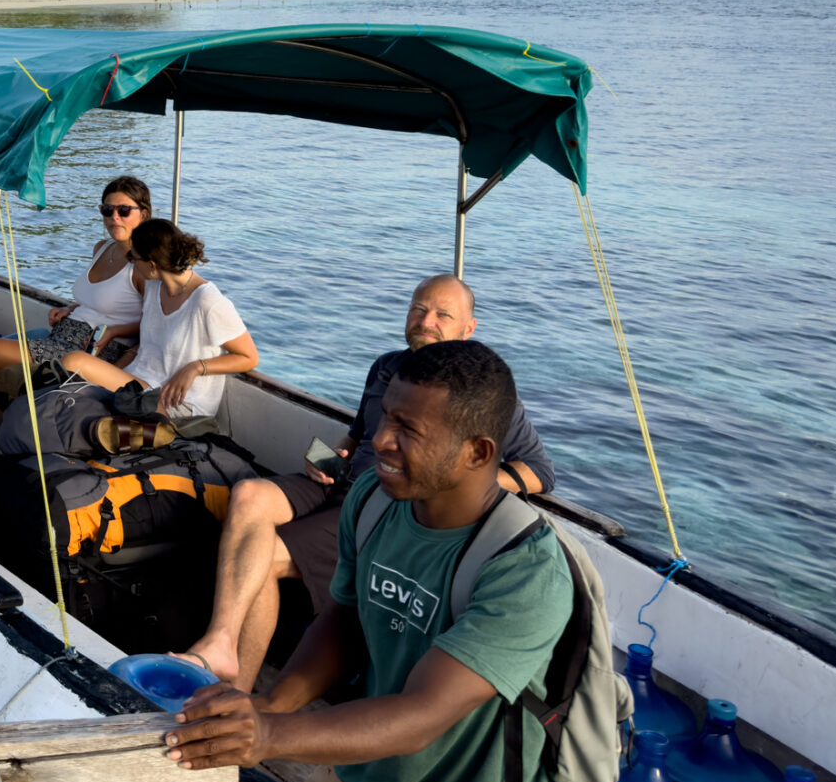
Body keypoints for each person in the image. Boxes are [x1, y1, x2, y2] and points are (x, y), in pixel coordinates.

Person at [164, 340, 572, 782]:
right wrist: (272, 704)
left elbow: (423, 714)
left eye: (408, 430)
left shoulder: (525, 569)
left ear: (477, 452)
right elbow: (348, 621)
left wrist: (268, 734)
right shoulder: (374, 501)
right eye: (384, 419)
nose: (379, 440)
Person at [179, 275, 555, 691]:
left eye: (443, 315)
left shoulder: (481, 396)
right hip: (340, 480)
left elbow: (539, 470)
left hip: (383, 499)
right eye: (418, 308)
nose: (426, 321)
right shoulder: (388, 367)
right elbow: (358, 434)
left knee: (262, 557)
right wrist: (329, 454)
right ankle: (221, 640)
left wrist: (448, 484)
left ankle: (234, 689)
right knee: (249, 492)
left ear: (469, 329)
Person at [0, 175, 150, 423]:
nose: (114, 217)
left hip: (90, 347)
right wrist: (69, 308)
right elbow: (102, 300)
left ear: (143, 214)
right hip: (62, 333)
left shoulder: (143, 265)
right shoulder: (102, 248)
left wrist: (115, 331)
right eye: (107, 209)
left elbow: (154, 323)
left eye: (124, 211)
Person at [53, 218, 258, 451]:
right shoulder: (154, 287)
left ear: (151, 264)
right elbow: (149, 341)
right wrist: (117, 334)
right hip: (140, 383)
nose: (130, 263)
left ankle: (156, 430)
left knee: (75, 361)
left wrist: (196, 367)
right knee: (70, 390)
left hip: (176, 401)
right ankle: (128, 431)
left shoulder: (207, 302)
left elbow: (249, 357)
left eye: (133, 258)